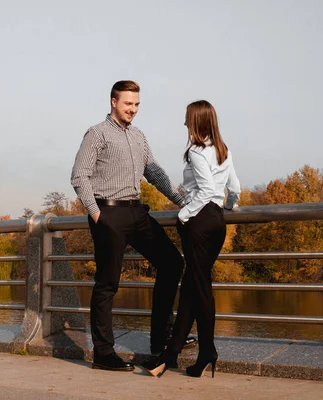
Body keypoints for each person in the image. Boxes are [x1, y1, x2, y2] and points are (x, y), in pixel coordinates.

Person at [71, 80, 193, 372]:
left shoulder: (138, 136)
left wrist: (182, 201)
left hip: (137, 213)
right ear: (113, 102)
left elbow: (154, 172)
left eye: (137, 105)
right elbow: (79, 176)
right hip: (108, 214)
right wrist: (97, 214)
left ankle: (161, 338)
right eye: (128, 104)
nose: (133, 110)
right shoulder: (96, 134)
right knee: (107, 284)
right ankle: (103, 354)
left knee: (173, 263)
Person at [147, 100, 241, 378]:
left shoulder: (196, 152)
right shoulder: (224, 150)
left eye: (187, 119)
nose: (185, 124)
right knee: (191, 285)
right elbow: (233, 189)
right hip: (217, 222)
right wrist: (226, 207)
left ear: (197, 122)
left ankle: (207, 351)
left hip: (198, 222)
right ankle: (172, 353)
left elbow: (205, 189)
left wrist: (184, 215)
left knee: (200, 288)